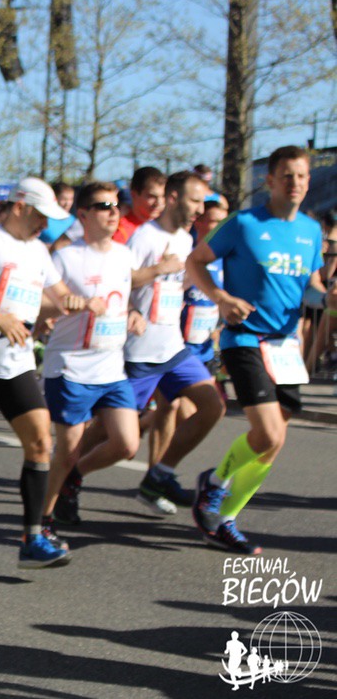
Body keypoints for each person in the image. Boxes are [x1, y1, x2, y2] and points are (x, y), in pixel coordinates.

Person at [188, 145, 333, 554]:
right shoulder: (244, 223)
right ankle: (213, 484)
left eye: (301, 176)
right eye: (286, 175)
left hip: (285, 347)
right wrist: (221, 298)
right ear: (270, 180)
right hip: (245, 337)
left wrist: (327, 298)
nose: (295, 183)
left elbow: (311, 287)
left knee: (275, 440)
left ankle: (224, 519)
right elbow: (195, 262)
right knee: (267, 431)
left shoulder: (310, 231)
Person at [0, 177, 99, 568]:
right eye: (41, 215)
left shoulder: (40, 251)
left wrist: (76, 303)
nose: (45, 225)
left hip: (15, 361)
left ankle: (33, 538)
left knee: (42, 442)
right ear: (20, 206)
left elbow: (58, 297)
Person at [122, 171, 226, 515]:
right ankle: (70, 475)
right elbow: (121, 279)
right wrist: (157, 272)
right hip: (139, 349)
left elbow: (179, 283)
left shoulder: (184, 238)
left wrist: (216, 298)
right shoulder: (145, 236)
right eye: (195, 201)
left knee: (211, 404)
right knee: (116, 436)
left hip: (173, 346)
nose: (200, 209)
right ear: (173, 199)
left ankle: (160, 475)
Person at [44, 181, 144, 529]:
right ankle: (41, 522)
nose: (114, 212)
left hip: (111, 369)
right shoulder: (66, 257)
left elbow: (125, 298)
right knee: (66, 452)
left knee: (127, 444)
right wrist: (68, 303)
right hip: (71, 368)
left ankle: (73, 478)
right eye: (104, 206)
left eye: (116, 205)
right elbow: (41, 304)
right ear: (83, 215)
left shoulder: (124, 255)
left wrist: (134, 313)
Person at [112, 167, 166, 244]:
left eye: (163, 196)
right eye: (152, 196)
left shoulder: (168, 228)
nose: (158, 203)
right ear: (134, 194)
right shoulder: (120, 230)